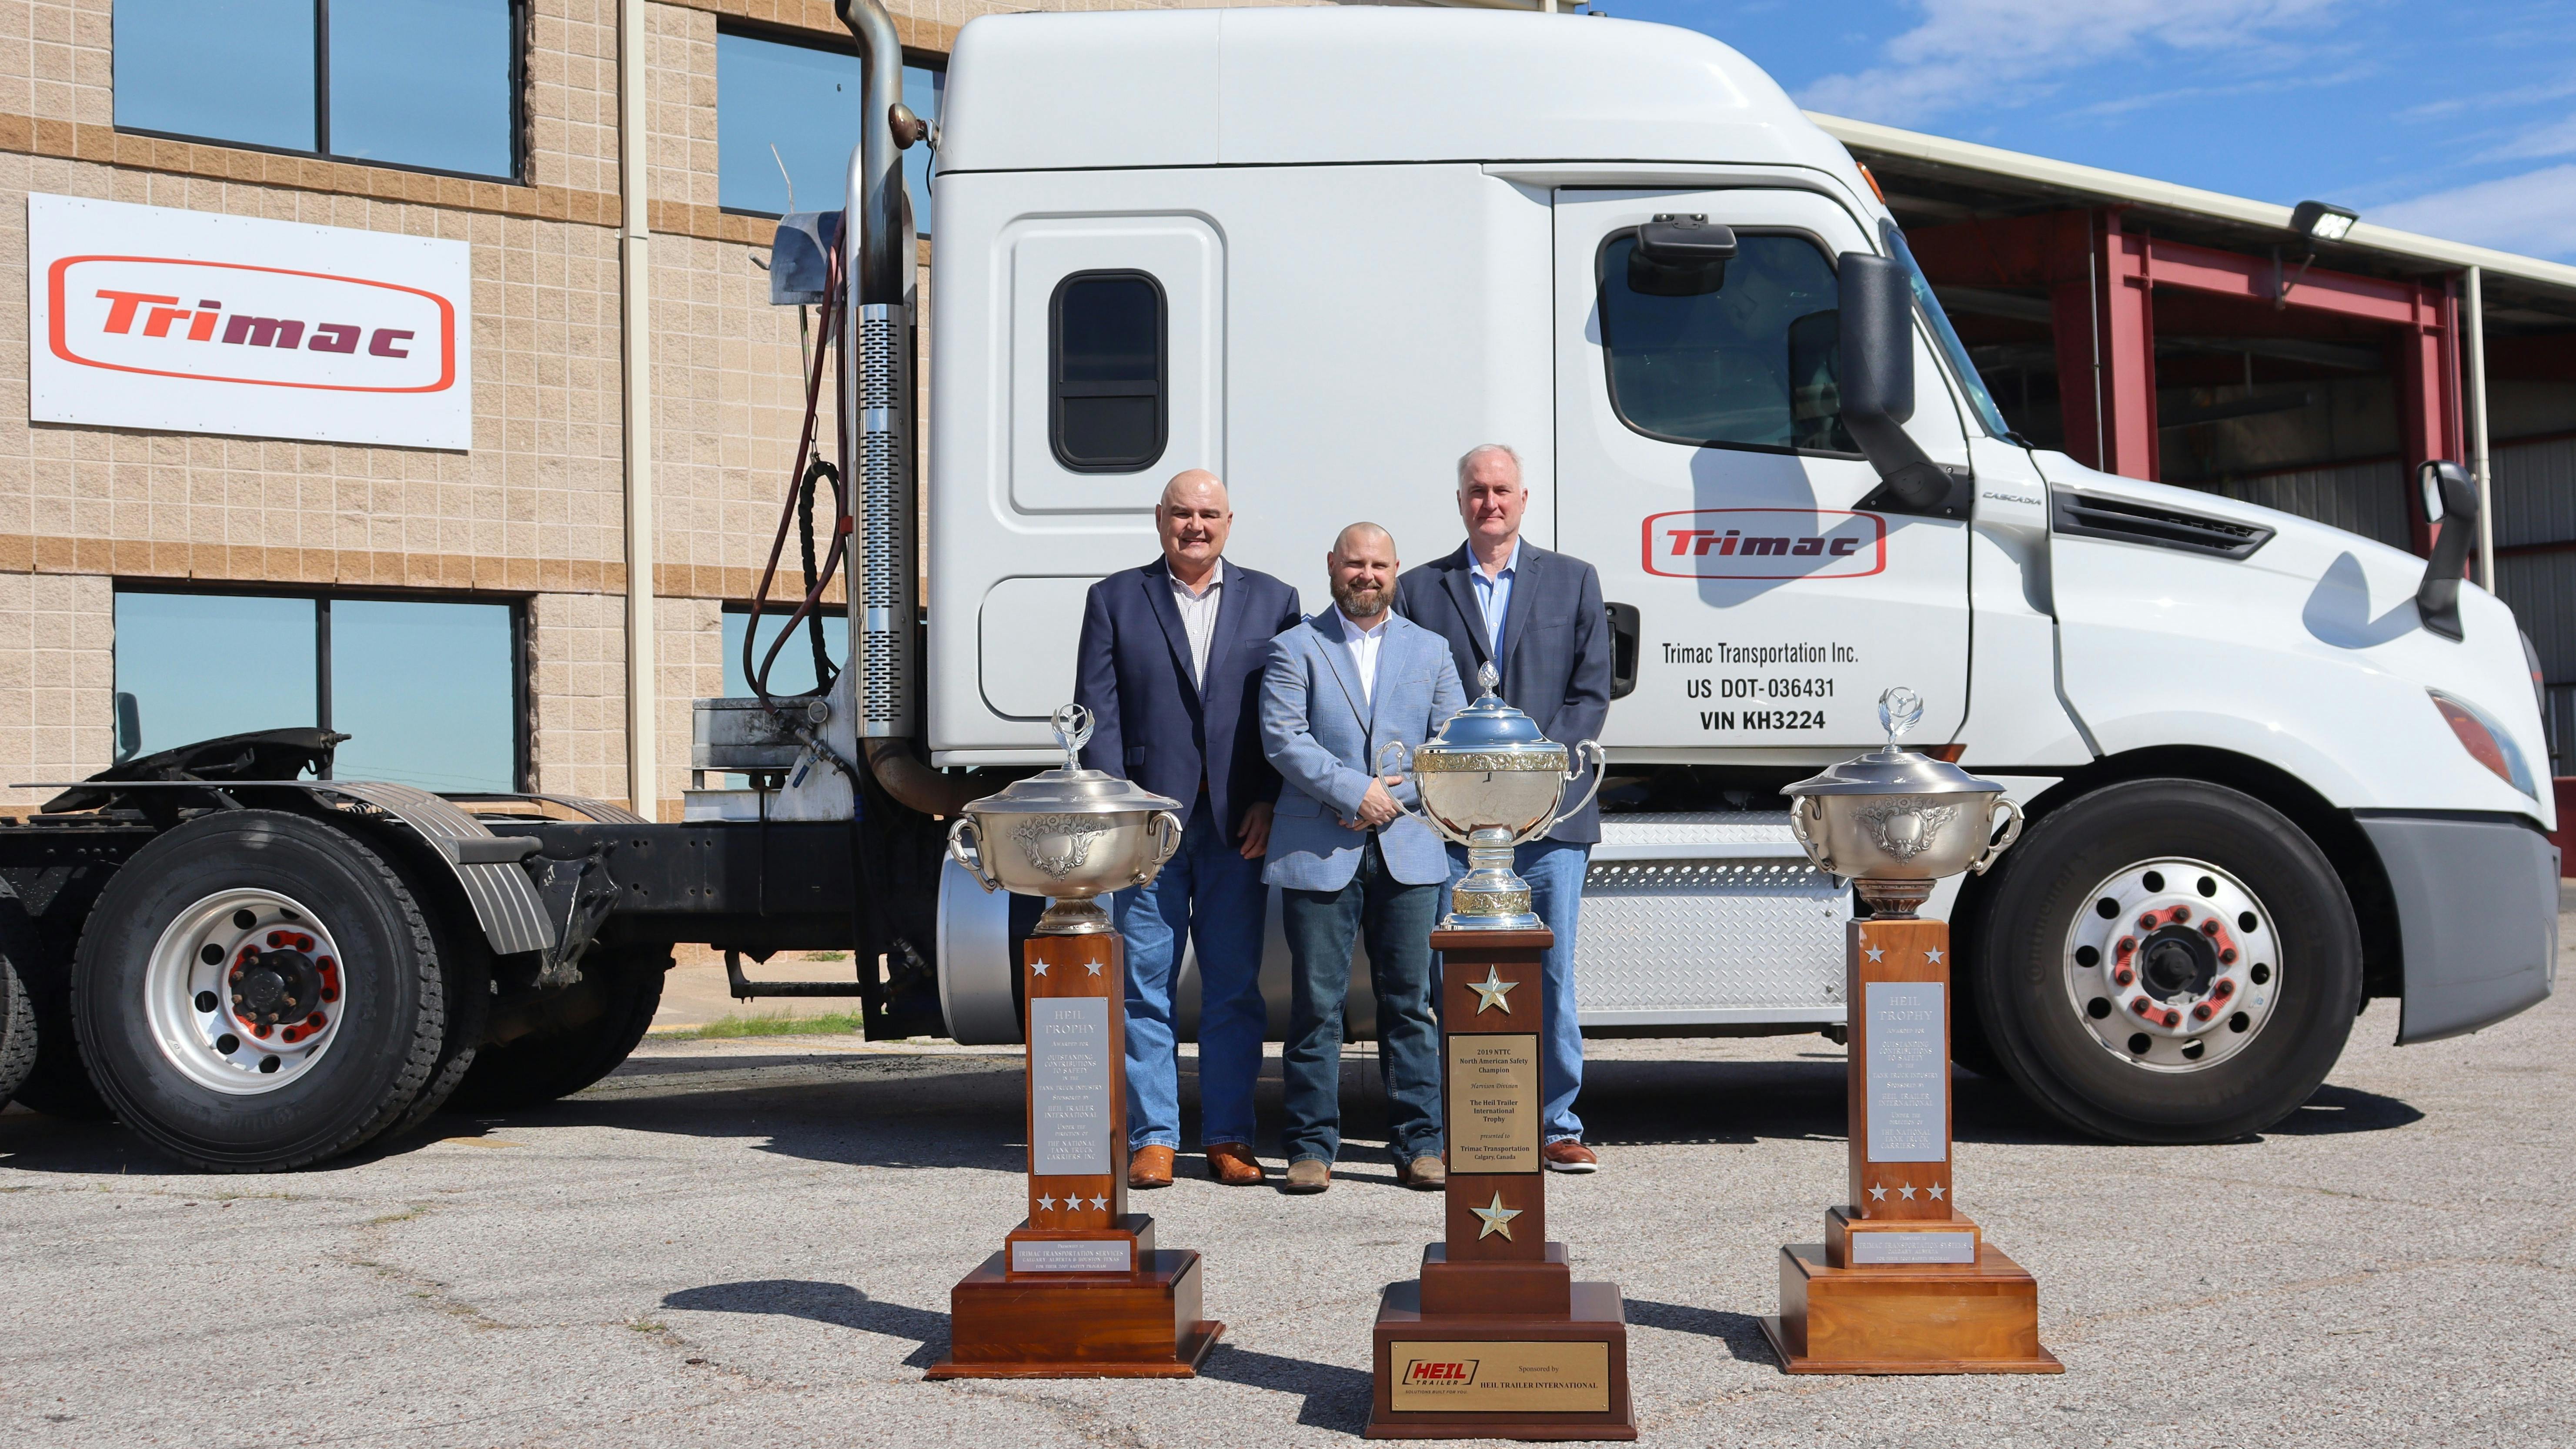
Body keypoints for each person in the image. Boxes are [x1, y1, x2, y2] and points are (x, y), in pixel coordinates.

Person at [1075, 469, 1304, 1189]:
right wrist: (1124, 811)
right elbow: (1096, 715)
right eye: (1182, 513)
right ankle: (1155, 1138)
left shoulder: (1275, 601)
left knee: (1235, 987)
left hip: (1241, 825)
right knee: (1146, 984)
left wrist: (1270, 799)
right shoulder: (1114, 599)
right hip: (1150, 831)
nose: (1195, 526)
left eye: (1209, 514)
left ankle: (1231, 1137)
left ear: (1230, 522)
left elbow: (1286, 716)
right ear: (1160, 518)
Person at [1394, 443, 1615, 1173]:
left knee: (1549, 971)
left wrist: (1533, 779)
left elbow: (1590, 694)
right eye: (1477, 491)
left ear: (1525, 500)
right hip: (1450, 824)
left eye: (1503, 491)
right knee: (1449, 973)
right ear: (1461, 501)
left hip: (1549, 821)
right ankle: (1469, 1121)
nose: (1491, 502)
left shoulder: (1574, 581)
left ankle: (1556, 1123)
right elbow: (1404, 694)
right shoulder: (1422, 588)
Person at [1259, 522, 1466, 1195]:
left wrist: (1385, 798)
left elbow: (1451, 743)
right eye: (1355, 564)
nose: (1366, 575)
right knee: (1316, 1006)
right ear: (1331, 566)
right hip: (1320, 848)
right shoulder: (1296, 647)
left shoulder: (1431, 651)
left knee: (1409, 1004)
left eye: (1378, 564)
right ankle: (1311, 1147)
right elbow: (1283, 740)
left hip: (1408, 850)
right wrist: (1354, 790)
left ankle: (1420, 1144)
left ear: (1396, 571)